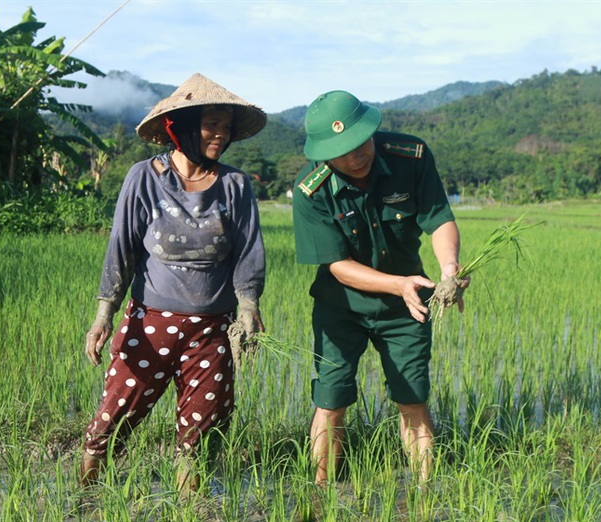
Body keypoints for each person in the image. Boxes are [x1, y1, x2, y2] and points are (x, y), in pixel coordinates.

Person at [80, 73, 267, 495]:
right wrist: (103, 315)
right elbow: (121, 250)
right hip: (150, 324)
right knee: (113, 418)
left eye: (226, 127)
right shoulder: (144, 178)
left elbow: (248, 253)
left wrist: (249, 308)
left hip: (212, 329)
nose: (220, 135)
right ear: (180, 128)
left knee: (200, 433)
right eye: (211, 125)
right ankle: (83, 498)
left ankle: (189, 506)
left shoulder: (235, 185)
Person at [292, 90, 469, 485]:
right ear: (323, 153)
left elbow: (439, 218)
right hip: (342, 308)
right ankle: (320, 491)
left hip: (408, 307)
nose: (356, 156)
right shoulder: (310, 189)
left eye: (361, 143)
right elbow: (337, 265)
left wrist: (449, 269)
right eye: (342, 151)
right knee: (331, 401)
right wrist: (397, 284)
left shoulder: (411, 156)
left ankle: (426, 493)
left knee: (413, 399)